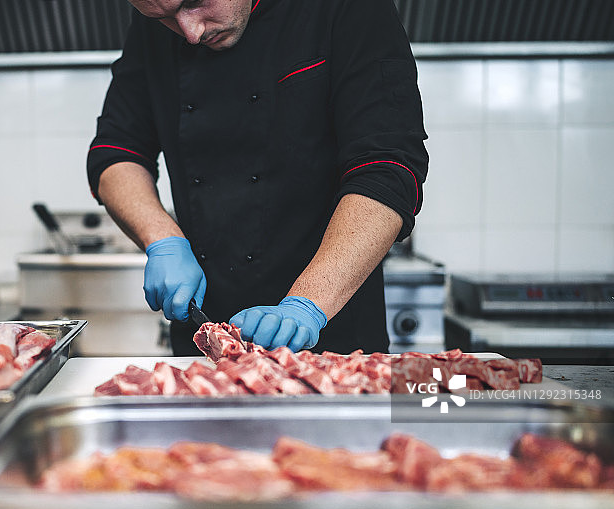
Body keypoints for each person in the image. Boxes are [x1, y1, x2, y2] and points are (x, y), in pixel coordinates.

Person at [87, 0, 428, 356]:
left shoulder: (344, 8)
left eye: (194, 2)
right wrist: (162, 239)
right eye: (165, 18)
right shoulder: (160, 19)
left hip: (335, 340)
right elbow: (116, 151)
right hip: (208, 343)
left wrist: (307, 306)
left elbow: (387, 167)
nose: (191, 32)